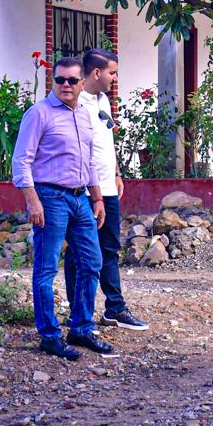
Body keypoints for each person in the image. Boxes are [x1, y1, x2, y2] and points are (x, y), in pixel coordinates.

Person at [12, 56, 115, 361]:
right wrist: (33, 201)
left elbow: (89, 161)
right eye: (60, 80)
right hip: (50, 198)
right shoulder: (39, 114)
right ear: (53, 81)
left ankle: (81, 328)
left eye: (72, 80)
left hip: (80, 198)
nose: (66, 85)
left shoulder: (85, 115)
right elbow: (21, 161)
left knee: (92, 261)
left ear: (82, 83)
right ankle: (49, 335)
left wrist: (97, 198)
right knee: (46, 268)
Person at [65, 48, 149, 332]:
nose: (115, 78)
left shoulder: (103, 101)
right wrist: (96, 190)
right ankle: (78, 312)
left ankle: (115, 308)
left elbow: (106, 140)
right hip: (87, 191)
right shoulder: (77, 104)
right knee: (80, 252)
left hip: (109, 188)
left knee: (110, 248)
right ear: (97, 73)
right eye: (112, 72)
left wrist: (116, 173)